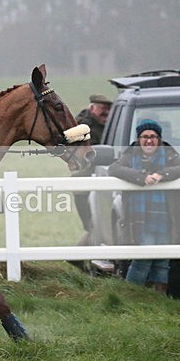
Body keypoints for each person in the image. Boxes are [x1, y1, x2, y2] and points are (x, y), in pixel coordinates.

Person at [108, 119, 180, 295]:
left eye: (153, 136)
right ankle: (130, 296)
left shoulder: (169, 154)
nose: (149, 141)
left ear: (159, 139)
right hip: (140, 219)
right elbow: (114, 169)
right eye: (144, 136)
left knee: (162, 262)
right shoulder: (130, 155)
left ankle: (157, 299)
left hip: (166, 218)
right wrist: (141, 177)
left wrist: (162, 174)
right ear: (139, 139)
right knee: (142, 260)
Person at [69, 94, 112, 271]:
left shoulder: (103, 125)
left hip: (98, 181)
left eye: (108, 109)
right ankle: (78, 258)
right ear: (92, 108)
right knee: (92, 224)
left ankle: (77, 258)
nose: (106, 113)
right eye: (103, 109)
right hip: (85, 184)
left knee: (94, 225)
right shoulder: (80, 126)